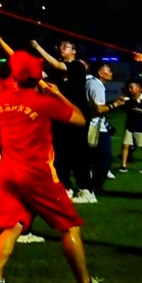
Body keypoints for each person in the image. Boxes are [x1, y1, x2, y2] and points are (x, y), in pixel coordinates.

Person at [0, 39, 112, 283]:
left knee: (13, 225)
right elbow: (79, 119)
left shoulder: (2, 96)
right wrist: (56, 94)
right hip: (37, 173)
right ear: (37, 77)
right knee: (69, 226)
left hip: (8, 172)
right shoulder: (43, 102)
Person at [29, 38, 89, 197]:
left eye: (66, 46)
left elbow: (57, 64)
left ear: (74, 51)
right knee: (60, 152)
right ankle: (65, 188)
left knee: (78, 153)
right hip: (60, 114)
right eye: (60, 45)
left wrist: (37, 47)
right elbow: (40, 75)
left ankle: (86, 190)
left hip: (77, 113)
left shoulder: (77, 66)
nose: (62, 48)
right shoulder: (55, 71)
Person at [80, 62, 115, 200]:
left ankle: (89, 184)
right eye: (109, 70)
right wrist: (115, 104)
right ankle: (95, 185)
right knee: (105, 157)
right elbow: (99, 109)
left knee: (91, 156)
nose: (111, 73)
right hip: (95, 127)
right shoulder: (96, 86)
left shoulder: (90, 82)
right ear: (101, 73)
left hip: (90, 125)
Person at [119, 72, 142, 172]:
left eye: (131, 88)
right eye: (129, 88)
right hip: (129, 126)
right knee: (125, 145)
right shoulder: (128, 100)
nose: (129, 90)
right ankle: (123, 165)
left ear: (138, 88)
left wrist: (140, 111)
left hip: (141, 127)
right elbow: (123, 107)